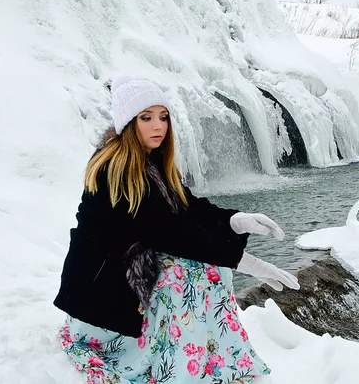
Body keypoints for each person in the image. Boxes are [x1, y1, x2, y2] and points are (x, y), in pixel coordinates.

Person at [53, 75, 300, 384]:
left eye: (163, 117)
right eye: (146, 117)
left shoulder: (151, 159)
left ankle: (210, 358)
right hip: (100, 296)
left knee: (210, 269)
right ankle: (181, 366)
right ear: (128, 122)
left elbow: (188, 207)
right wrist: (248, 263)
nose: (159, 126)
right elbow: (171, 232)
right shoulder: (114, 167)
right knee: (192, 275)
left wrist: (236, 219)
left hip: (126, 272)